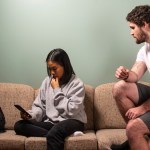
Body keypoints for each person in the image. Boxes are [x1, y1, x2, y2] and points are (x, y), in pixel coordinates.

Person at [14, 48, 87, 150]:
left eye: (54, 68)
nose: (52, 72)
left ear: (65, 66)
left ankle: (56, 134)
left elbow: (71, 111)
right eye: (49, 69)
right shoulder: (47, 82)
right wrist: (31, 115)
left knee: (56, 132)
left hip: (73, 121)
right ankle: (59, 135)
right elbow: (40, 106)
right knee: (19, 125)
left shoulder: (77, 84)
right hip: (52, 124)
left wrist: (56, 89)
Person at [111, 5, 150, 150]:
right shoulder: (145, 49)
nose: (131, 33)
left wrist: (143, 108)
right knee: (120, 87)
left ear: (145, 24)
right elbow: (135, 75)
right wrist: (126, 75)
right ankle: (137, 138)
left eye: (133, 28)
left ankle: (135, 133)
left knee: (133, 128)